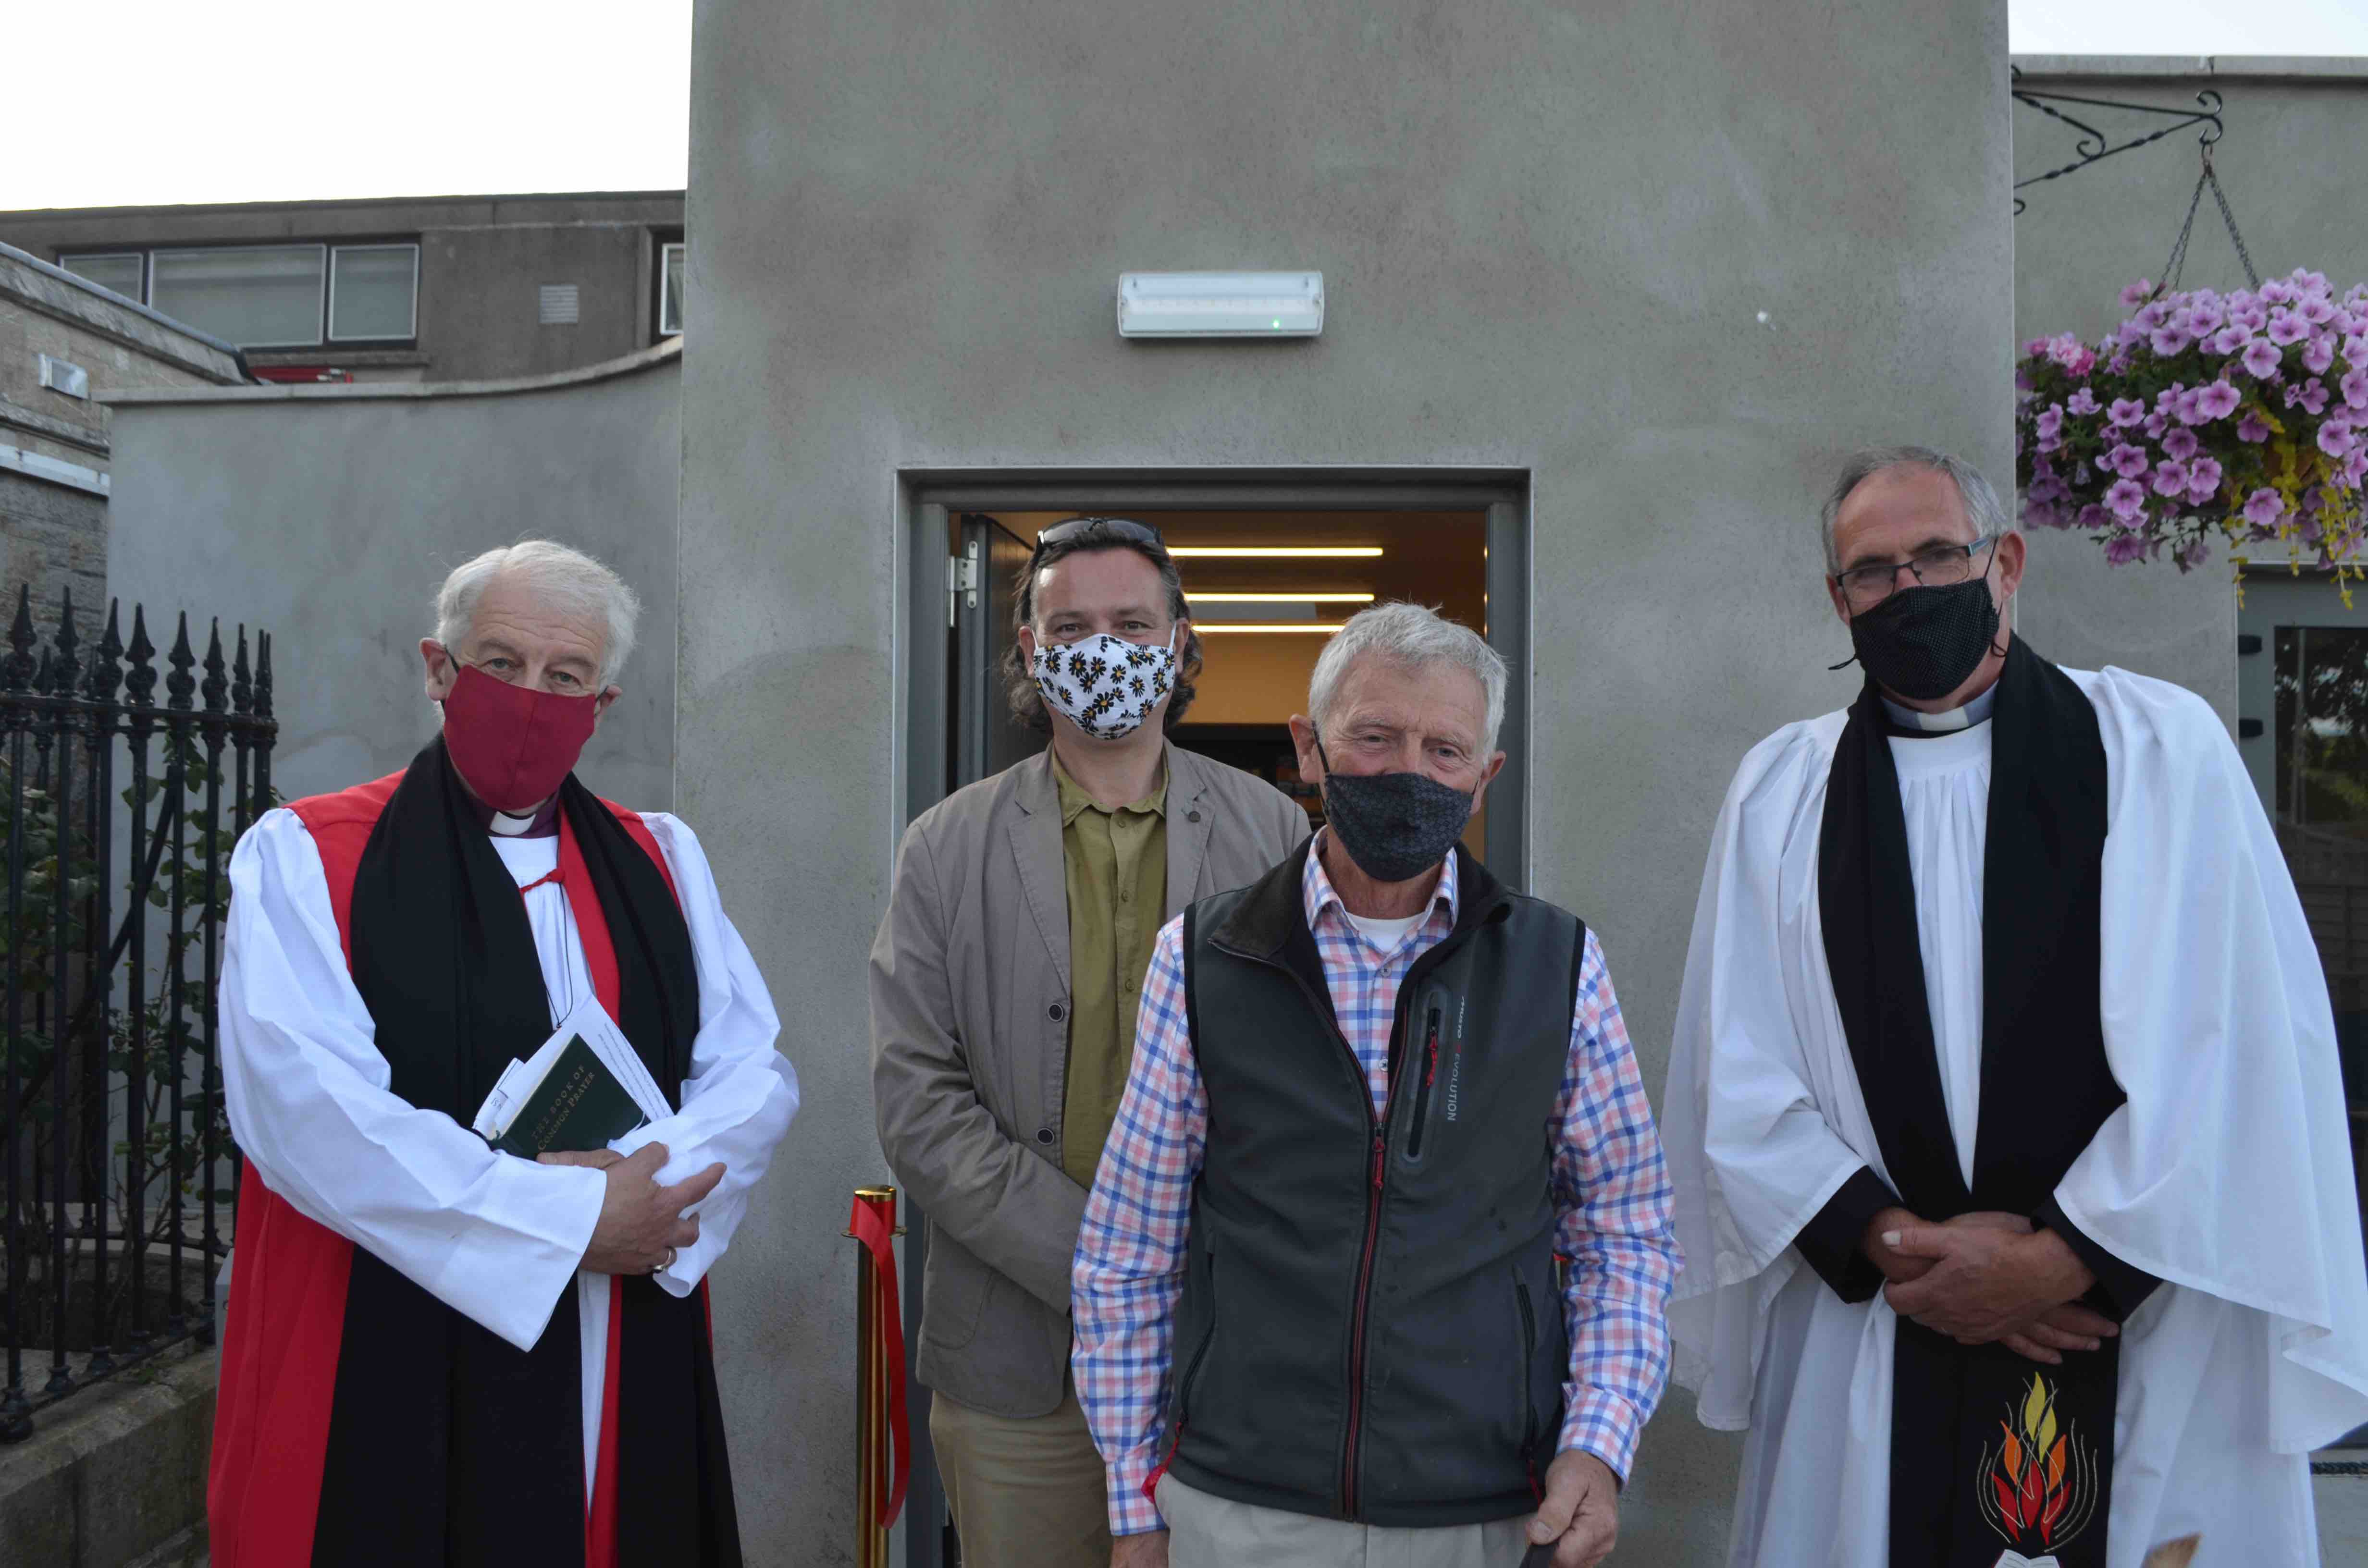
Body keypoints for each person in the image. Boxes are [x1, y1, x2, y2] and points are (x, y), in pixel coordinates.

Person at [1661, 447, 2368, 1568]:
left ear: (2005, 562)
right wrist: (1900, 1249)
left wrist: (2070, 1259)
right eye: (1873, 571)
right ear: (1836, 600)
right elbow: (1734, 1075)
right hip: (1882, 1327)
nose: (1908, 591)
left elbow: (2238, 1042)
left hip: (2138, 1317)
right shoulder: (1784, 793)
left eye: (1937, 556)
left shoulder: (2157, 751)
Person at [209, 540, 798, 1568]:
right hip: (389, 1324)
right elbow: (308, 1113)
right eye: (500, 663)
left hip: (616, 1331)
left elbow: (751, 1069)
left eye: (565, 677)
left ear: (601, 703)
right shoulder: (308, 856)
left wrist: (649, 1197)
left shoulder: (661, 856)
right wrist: (573, 1221)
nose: (532, 698)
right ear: (439, 670)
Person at [1073, 601, 1680, 1568]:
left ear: (1485, 780)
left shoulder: (1558, 964)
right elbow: (1130, 1252)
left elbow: (1625, 1235)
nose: (1409, 771)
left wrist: (1597, 1444)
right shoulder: (1201, 959)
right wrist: (1133, 1507)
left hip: (1482, 1508)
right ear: (1308, 750)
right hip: (1244, 1506)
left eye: (1445, 750)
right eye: (1374, 736)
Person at [870, 516, 1308, 1568]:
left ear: (1178, 643)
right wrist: (1107, 1264)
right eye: (1069, 626)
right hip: (1021, 1370)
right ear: (1029, 650)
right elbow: (917, 1104)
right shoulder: (945, 848)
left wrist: (1196, 1271)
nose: (1099, 647)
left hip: (1231, 1359)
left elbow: (1319, 1087)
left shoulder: (1277, 839)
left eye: (1129, 622)